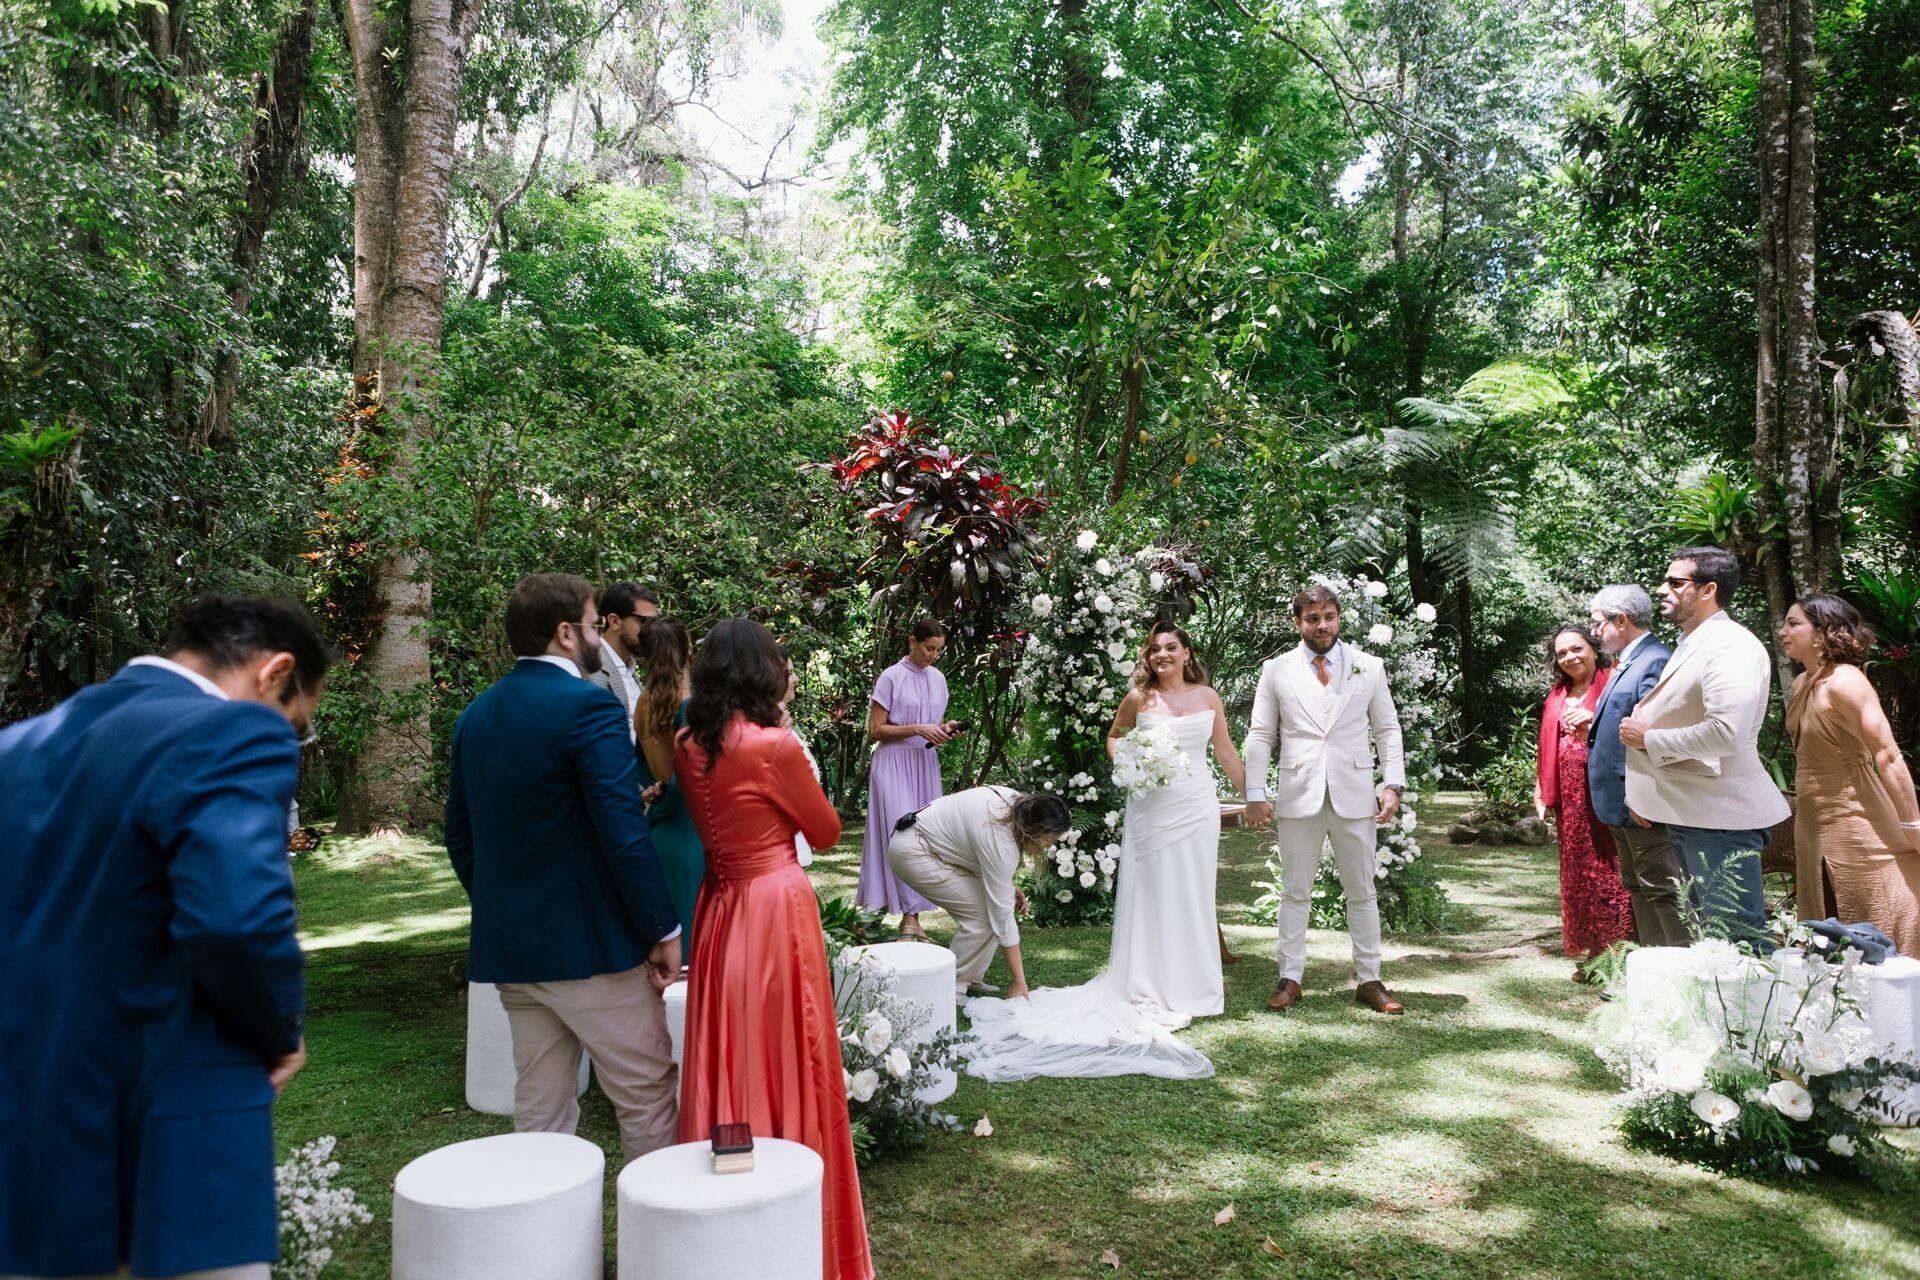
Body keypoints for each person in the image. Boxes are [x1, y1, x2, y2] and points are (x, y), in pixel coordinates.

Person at [0, 594, 326, 1280]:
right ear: (276, 674)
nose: (288, 740)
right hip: (174, 1132)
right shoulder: (229, 731)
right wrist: (280, 1030)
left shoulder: (19, 748)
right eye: (296, 725)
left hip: (33, 1140)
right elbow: (237, 921)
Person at [445, 574, 683, 1168]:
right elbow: (622, 831)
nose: (600, 632)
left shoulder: (475, 716)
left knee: (541, 1111)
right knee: (646, 1095)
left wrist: (503, 905)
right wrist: (662, 928)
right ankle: (656, 1257)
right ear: (564, 632)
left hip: (515, 951)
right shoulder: (589, 706)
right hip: (592, 949)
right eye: (591, 620)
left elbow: (461, 837)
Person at [673, 619, 870, 1280]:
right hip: (774, 904)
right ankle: (792, 1205)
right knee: (793, 1044)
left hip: (719, 905)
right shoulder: (772, 746)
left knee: (730, 1045)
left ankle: (726, 1215)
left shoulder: (684, 744)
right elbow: (828, 830)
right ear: (764, 674)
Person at [964, 622, 1243, 1082]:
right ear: (1148, 655)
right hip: (1151, 806)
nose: (1162, 655)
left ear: (1187, 652)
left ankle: (1192, 984)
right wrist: (1130, 761)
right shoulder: (1140, 698)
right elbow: (1115, 735)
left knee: (1193, 891)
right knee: (1152, 894)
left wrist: (1253, 794)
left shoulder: (1207, 697)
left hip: (1195, 806)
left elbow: (1226, 751)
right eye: (1155, 649)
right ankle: (1148, 983)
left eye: (1171, 648)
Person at [1244, 584, 1409, 1015]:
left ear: (1339, 617)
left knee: (1363, 890)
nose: (1322, 625)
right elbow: (1261, 734)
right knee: (1295, 890)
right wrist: (1256, 793)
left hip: (1354, 792)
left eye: (1329, 617)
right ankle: (1290, 977)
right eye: (1313, 618)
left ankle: (1370, 979)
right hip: (1299, 794)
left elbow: (1387, 728)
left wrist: (1392, 783)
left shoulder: (1368, 666)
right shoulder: (1276, 670)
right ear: (1298, 622)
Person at [1620, 547, 1789, 950]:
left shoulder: (1731, 647)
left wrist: (1649, 740)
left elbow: (1726, 733)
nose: (1663, 590)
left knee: (1739, 941)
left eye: (1675, 583)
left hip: (1721, 819)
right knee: (1715, 942)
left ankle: (1753, 1015)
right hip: (1695, 812)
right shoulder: (1694, 641)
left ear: (1709, 589)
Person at [1782, 594, 1920, 955]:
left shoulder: (1846, 681)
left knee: (1882, 908)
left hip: (1856, 816)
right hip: (1812, 821)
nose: (1782, 631)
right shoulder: (1802, 683)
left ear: (1823, 631)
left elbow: (1887, 755)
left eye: (1793, 623)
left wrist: (1914, 827)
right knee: (1824, 917)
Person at [889, 788, 1072, 998]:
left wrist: (1008, 887)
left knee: (989, 910)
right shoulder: (999, 835)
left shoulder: (1015, 803)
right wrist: (1019, 981)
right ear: (1035, 828)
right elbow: (1002, 917)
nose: (1050, 845)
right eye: (1050, 838)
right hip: (913, 850)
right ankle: (948, 986)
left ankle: (970, 977)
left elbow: (981, 850)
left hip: (929, 844)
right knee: (983, 916)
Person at [1587, 585, 1688, 947]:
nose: (1595, 631)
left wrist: (1643, 794)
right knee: (1637, 884)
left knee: (1661, 885)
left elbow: (1655, 733)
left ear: (1621, 620)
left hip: (1642, 803)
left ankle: (1677, 973)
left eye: (1598, 624)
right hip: (1621, 802)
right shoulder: (1629, 660)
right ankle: (1651, 972)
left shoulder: (1655, 660)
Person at [1535, 624, 1635, 976]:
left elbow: (1630, 728)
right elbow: (1546, 744)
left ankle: (1621, 954)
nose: (1570, 657)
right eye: (1562, 653)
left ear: (1594, 649)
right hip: (1571, 802)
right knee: (1580, 878)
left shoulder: (1612, 684)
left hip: (1604, 795)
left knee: (1611, 874)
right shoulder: (1558, 694)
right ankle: (1594, 954)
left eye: (1576, 649)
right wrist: (1541, 789)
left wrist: (1594, 721)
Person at [858, 618, 960, 939]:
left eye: (938, 650)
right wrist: (917, 727)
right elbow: (875, 730)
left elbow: (933, 726)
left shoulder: (939, 679)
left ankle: (912, 918)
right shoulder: (891, 677)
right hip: (893, 764)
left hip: (924, 763)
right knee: (899, 834)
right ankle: (906, 917)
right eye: (929, 648)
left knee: (924, 837)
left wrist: (943, 730)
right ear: (912, 641)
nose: (933, 655)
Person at [633, 616, 705, 948]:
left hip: (660, 835)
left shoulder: (642, 703)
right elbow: (688, 778)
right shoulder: (691, 705)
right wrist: (662, 810)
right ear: (688, 650)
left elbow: (641, 768)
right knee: (696, 948)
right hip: (692, 835)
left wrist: (652, 799)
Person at [586, 581, 661, 725]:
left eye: (655, 623)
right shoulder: (590, 669)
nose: (652, 630)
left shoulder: (629, 669)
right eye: (644, 621)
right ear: (614, 621)